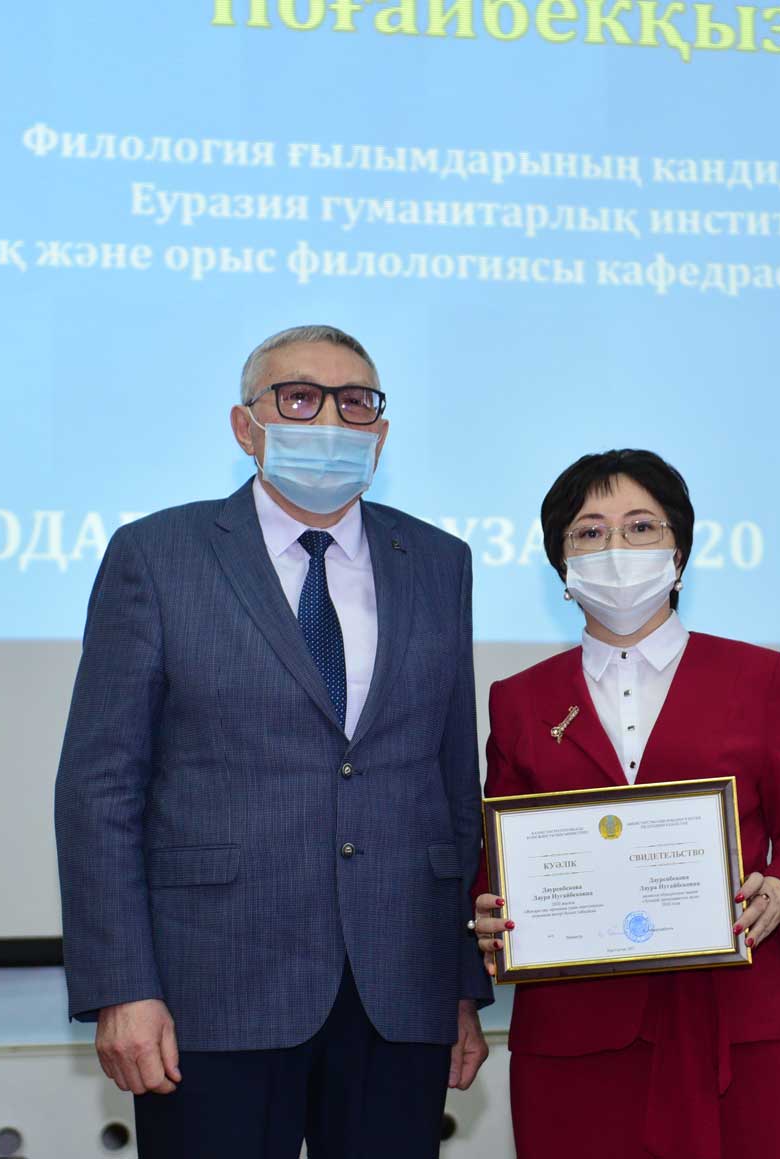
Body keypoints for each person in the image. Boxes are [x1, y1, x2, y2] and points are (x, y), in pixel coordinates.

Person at [54, 324, 491, 1159]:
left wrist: (460, 983)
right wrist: (122, 986)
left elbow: (450, 786)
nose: (328, 419)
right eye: (298, 398)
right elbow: (100, 788)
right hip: (211, 988)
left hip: (400, 989)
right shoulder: (158, 555)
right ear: (245, 426)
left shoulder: (439, 561)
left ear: (380, 431)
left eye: (353, 401)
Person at [473, 449, 780, 1159]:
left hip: (737, 1025)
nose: (615, 548)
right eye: (589, 532)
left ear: (679, 553)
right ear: (562, 565)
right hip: (575, 1041)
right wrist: (490, 911)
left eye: (641, 526)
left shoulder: (758, 677)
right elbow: (499, 858)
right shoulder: (519, 700)